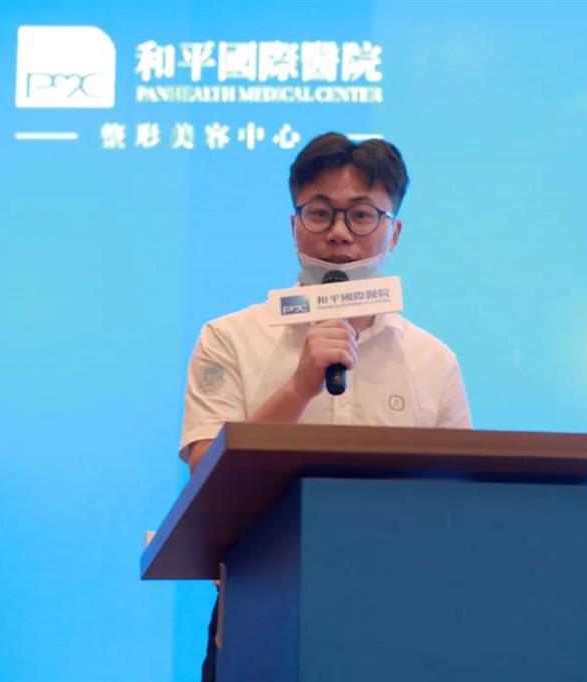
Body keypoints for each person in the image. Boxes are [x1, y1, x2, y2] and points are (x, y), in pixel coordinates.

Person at [177, 132, 472, 680]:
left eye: (361, 215)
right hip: (261, 611)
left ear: (394, 232)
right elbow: (206, 477)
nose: (339, 233)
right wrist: (299, 387)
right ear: (294, 225)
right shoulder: (228, 338)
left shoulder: (433, 360)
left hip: (396, 619)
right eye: (320, 213)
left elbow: (456, 506)